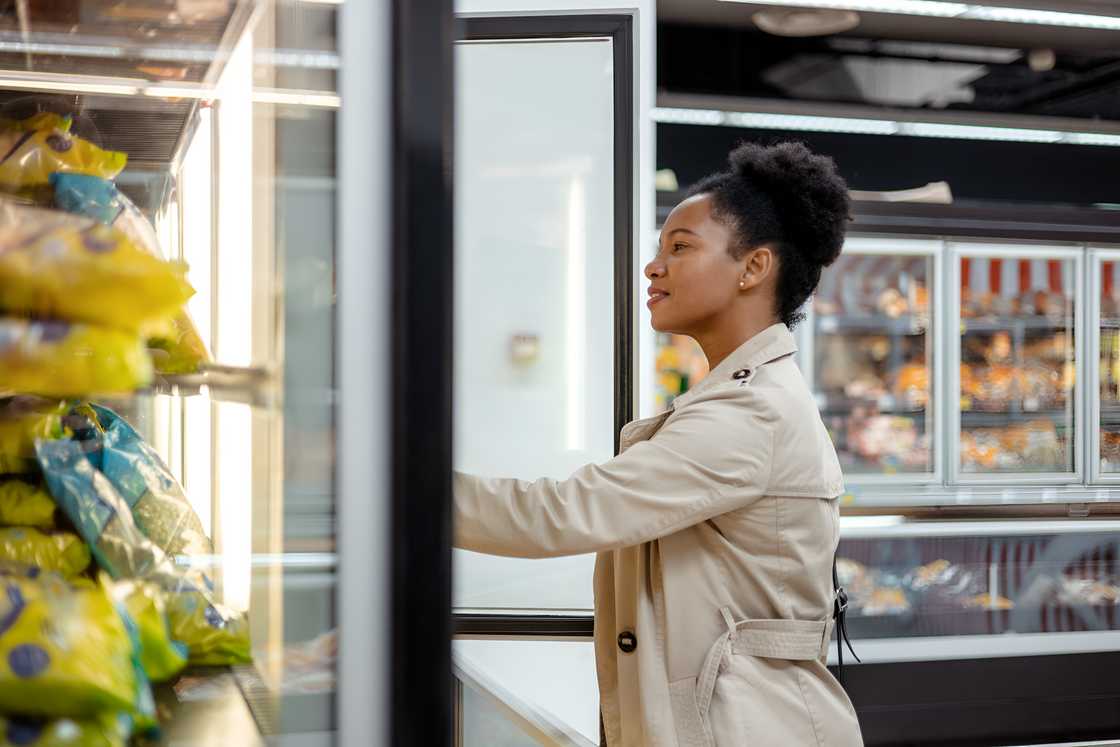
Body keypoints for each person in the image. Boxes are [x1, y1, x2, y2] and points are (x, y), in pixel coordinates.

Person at [454, 141, 864, 747]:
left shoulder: (750, 414)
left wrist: (393, 485)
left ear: (753, 268)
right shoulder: (742, 400)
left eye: (680, 248)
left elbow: (564, 512)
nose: (654, 266)